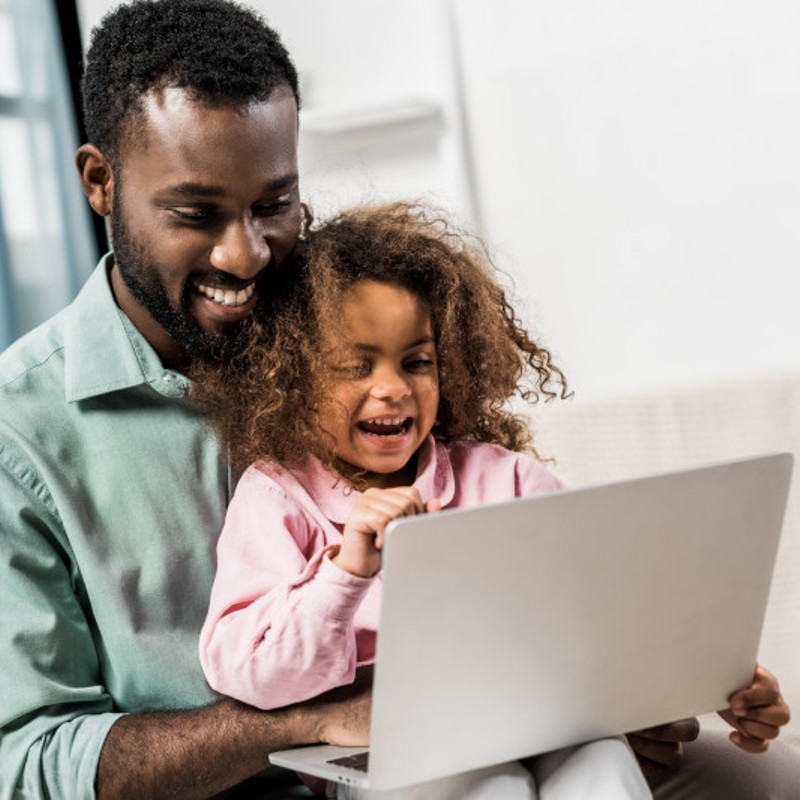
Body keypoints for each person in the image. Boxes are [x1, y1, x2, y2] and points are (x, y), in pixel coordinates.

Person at [0, 0, 796, 798]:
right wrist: (320, 718)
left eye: (274, 204)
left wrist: (626, 699)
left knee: (759, 781)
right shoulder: (20, 434)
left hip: (491, 732)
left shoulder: (338, 311)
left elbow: (550, 584)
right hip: (323, 772)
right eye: (195, 213)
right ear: (101, 181)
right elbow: (26, 764)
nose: (245, 255)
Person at [193, 203, 792, 799]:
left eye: (417, 362)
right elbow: (249, 672)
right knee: (491, 786)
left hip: (544, 721)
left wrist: (718, 678)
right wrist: (344, 573)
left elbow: (616, 609)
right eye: (355, 365)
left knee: (604, 767)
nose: (394, 388)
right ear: (290, 377)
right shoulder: (277, 495)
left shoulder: (503, 479)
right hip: (393, 750)